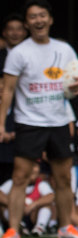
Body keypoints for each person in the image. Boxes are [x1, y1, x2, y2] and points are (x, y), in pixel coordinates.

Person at [0, 0, 78, 238]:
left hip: (59, 121)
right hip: (29, 121)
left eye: (42, 15)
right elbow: (7, 90)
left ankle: (65, 228)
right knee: (20, 177)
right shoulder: (19, 53)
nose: (38, 20)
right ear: (27, 23)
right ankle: (13, 232)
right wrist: (0, 123)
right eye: (33, 16)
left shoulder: (64, 49)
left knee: (63, 178)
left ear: (50, 19)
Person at [0, 14, 28, 184]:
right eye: (11, 29)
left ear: (25, 31)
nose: (15, 33)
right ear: (4, 32)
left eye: (19, 29)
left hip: (24, 121)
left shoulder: (32, 54)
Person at [0, 161, 54, 236]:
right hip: (14, 215)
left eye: (35, 166)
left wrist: (33, 205)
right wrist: (13, 205)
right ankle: (18, 226)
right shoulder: (13, 183)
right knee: (2, 206)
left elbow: (51, 196)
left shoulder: (41, 184)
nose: (33, 169)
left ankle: (39, 227)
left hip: (32, 215)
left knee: (47, 205)